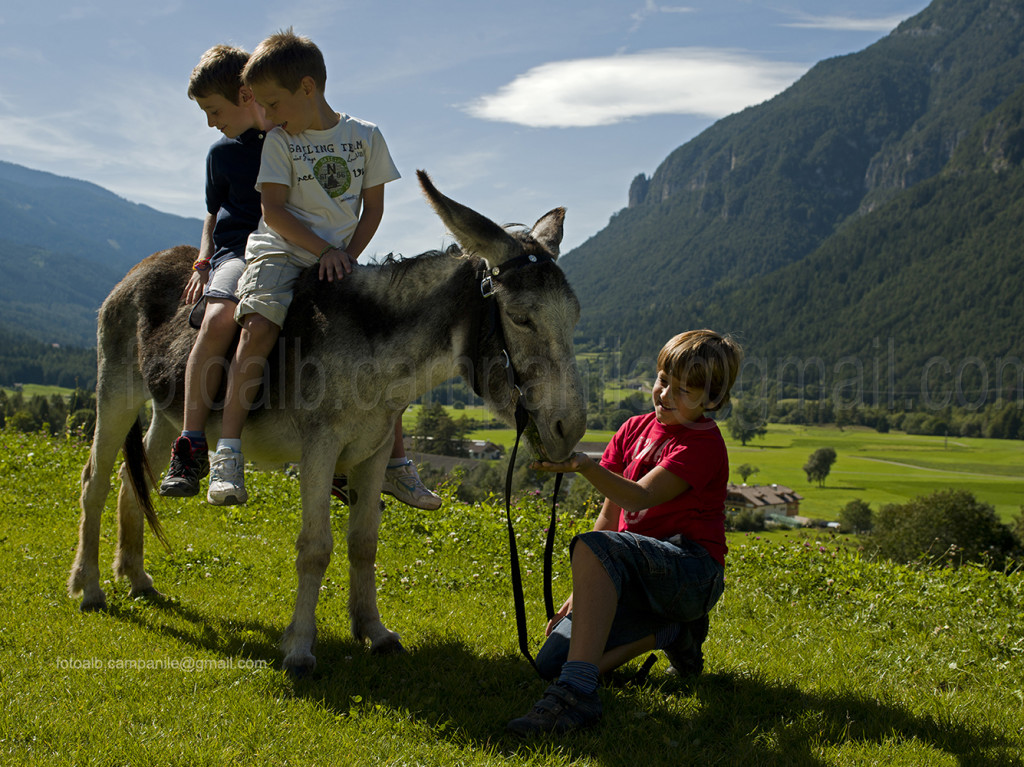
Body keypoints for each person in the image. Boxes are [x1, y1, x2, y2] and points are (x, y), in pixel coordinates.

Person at [203, 28, 439, 510]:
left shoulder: (365, 138)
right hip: (281, 250)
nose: (266, 117)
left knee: (381, 339)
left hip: (339, 254)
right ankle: (227, 452)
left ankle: (395, 464)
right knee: (260, 323)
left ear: (307, 88)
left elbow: (373, 209)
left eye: (272, 104)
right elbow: (273, 212)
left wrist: (347, 254)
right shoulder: (279, 143)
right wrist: (324, 251)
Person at [506, 329, 743, 736]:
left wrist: (585, 466)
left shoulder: (702, 446)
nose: (665, 396)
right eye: (663, 381)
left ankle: (577, 695)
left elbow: (637, 498)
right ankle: (669, 633)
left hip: (691, 574)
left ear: (714, 401)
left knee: (597, 550)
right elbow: (610, 515)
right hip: (640, 573)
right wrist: (580, 594)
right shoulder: (634, 428)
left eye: (684, 390)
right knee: (549, 664)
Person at [159, 44, 274, 498]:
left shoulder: (291, 139)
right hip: (235, 253)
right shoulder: (220, 155)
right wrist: (204, 262)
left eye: (213, 109)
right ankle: (190, 446)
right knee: (219, 318)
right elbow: (213, 214)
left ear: (246, 95)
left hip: (287, 251)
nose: (210, 121)